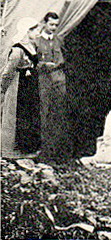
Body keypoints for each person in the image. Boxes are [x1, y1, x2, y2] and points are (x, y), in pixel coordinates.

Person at [1, 17, 41, 157]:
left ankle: (28, 148)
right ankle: (13, 149)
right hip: (19, 85)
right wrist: (2, 88)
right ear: (27, 30)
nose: (37, 32)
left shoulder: (33, 46)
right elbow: (8, 71)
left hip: (30, 84)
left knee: (29, 114)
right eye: (35, 29)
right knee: (18, 114)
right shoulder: (17, 50)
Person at [36, 12, 72, 161]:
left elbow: (65, 59)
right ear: (44, 23)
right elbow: (33, 61)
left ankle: (58, 150)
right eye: (51, 24)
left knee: (59, 112)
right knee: (44, 112)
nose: (53, 28)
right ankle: (44, 149)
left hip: (59, 79)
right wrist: (43, 65)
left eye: (56, 25)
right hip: (44, 79)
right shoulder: (37, 41)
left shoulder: (59, 40)